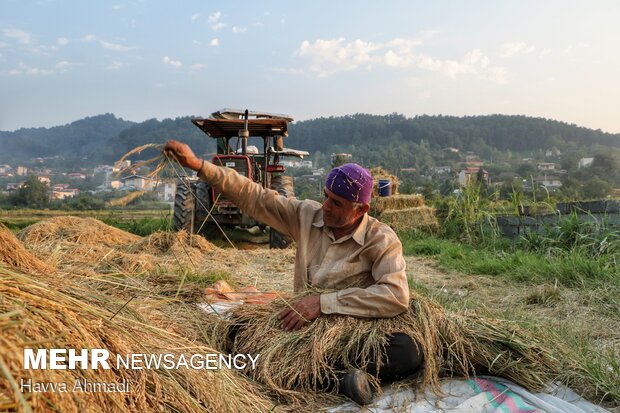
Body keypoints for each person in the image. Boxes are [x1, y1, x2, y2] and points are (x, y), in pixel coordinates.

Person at [164, 140, 424, 405]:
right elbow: (254, 196)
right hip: (303, 328)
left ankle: (328, 376)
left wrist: (323, 303)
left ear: (361, 210)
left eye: (336, 203)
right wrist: (198, 166)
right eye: (325, 196)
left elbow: (395, 294)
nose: (326, 206)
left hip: (351, 332)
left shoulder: (381, 239)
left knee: (408, 351)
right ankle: (335, 378)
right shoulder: (307, 216)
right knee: (236, 330)